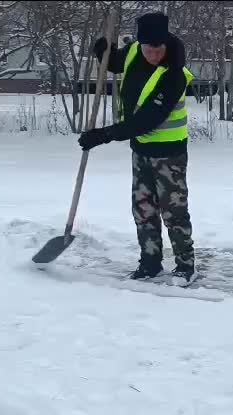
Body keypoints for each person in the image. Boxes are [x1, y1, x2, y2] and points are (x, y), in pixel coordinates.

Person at [78, 12, 197, 286]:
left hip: (169, 153)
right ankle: (150, 262)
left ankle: (185, 266)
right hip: (141, 150)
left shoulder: (174, 74)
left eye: (158, 48)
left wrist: (105, 134)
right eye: (147, 48)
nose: (153, 54)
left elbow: (146, 121)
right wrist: (102, 51)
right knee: (143, 209)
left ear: (166, 43)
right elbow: (116, 63)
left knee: (173, 211)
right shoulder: (134, 51)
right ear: (140, 44)